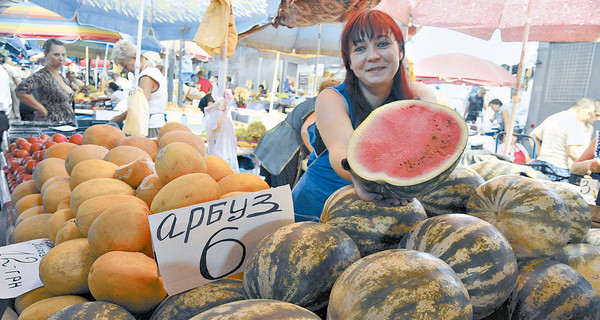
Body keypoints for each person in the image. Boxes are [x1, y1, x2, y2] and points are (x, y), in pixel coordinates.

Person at [291, 9, 437, 222]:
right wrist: (360, 179)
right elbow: (342, 149)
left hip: (383, 216)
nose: (373, 56)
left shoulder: (419, 97)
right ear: (349, 61)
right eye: (360, 48)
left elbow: (431, 150)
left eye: (383, 44)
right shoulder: (332, 98)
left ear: (400, 51)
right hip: (318, 208)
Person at [255, 79, 342, 188]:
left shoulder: (312, 102)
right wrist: (314, 154)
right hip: (285, 150)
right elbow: (305, 131)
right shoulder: (320, 106)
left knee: (270, 192)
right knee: (284, 194)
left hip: (273, 143)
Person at [529, 97, 596, 182]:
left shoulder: (554, 117)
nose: (588, 117)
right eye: (588, 113)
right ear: (581, 108)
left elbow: (533, 136)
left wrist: (540, 154)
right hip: (559, 170)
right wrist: (585, 166)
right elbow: (573, 152)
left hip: (540, 164)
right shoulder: (575, 123)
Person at [110, 40, 167, 138]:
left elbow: (140, 107)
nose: (126, 69)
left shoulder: (146, 76)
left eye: (125, 66)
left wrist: (117, 119)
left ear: (134, 59)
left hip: (149, 127)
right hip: (148, 125)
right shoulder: (150, 72)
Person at [16, 38, 77, 123]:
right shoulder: (41, 75)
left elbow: (62, 102)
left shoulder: (61, 77)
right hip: (49, 127)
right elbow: (20, 90)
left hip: (66, 126)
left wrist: (74, 91)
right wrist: (41, 108)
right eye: (56, 55)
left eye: (63, 55)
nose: (61, 58)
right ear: (46, 55)